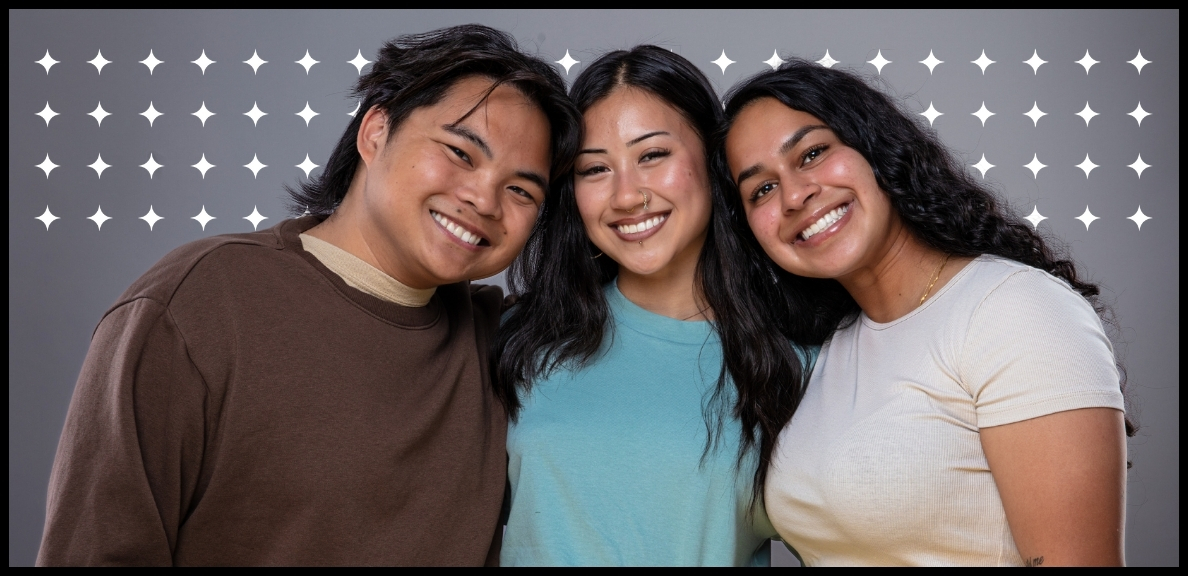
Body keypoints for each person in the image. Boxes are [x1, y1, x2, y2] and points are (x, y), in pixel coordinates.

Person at [37, 25, 579, 566]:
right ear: (374, 132)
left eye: (520, 190)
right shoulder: (195, 306)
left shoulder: (507, 346)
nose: (484, 199)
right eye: (461, 153)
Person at [721, 60, 1133, 567]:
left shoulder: (1014, 310)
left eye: (812, 153)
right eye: (760, 189)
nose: (794, 195)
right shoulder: (827, 347)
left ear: (872, 147)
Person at [492, 46, 817, 566]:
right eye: (595, 168)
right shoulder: (520, 336)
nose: (626, 196)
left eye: (652, 155)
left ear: (714, 164)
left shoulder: (801, 362)